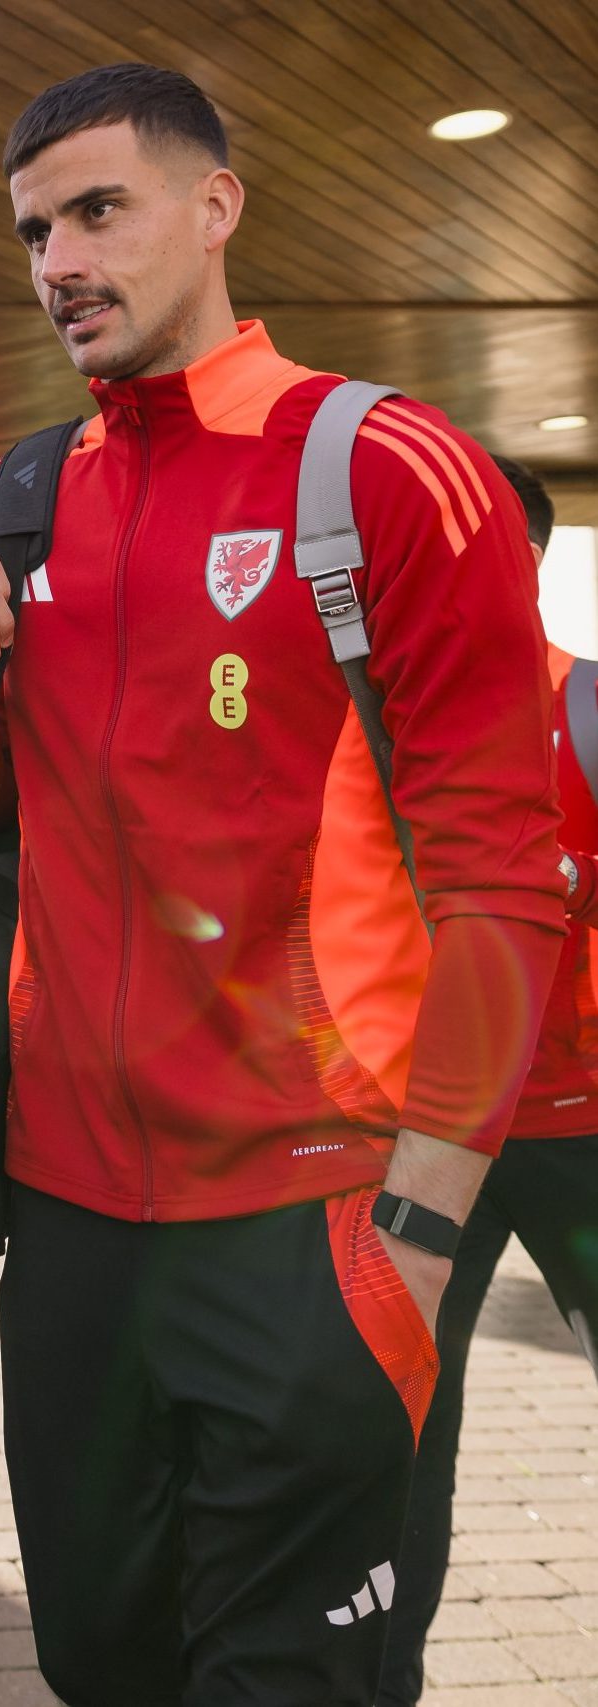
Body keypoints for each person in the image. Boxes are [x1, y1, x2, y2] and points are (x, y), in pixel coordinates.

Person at [0, 63, 564, 1705]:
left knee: (293, 1683)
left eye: (96, 209)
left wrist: (410, 1237)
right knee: (102, 1663)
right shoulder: (18, 495)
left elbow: (501, 877)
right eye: (34, 228)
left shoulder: (386, 467)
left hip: (310, 1223)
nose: (58, 258)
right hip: (65, 1227)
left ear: (215, 208)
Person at [379, 459, 598, 1704]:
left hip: (582, 1130)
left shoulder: (589, 707)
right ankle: (379, 1679)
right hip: (422, 1140)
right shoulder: (372, 718)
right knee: (394, 1435)